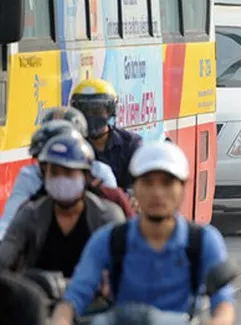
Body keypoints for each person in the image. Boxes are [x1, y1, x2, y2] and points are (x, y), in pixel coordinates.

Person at [51, 141, 236, 325]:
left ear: (183, 187)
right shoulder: (109, 240)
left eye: (167, 183)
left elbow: (223, 302)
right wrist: (61, 319)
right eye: (148, 183)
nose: (157, 193)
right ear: (135, 188)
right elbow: (75, 296)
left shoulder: (203, 240)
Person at [0, 133, 125, 277]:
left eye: (68, 172)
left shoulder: (107, 216)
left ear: (85, 176)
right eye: (54, 173)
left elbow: (122, 269)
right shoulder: (30, 214)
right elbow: (5, 257)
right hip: (37, 295)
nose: (61, 179)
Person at [0, 107, 119, 240]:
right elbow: (9, 222)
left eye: (68, 169)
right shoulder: (31, 175)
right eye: (52, 168)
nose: (59, 176)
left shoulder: (101, 174)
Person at [70, 79, 142, 190]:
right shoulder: (72, 145)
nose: (90, 116)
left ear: (110, 111)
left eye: (96, 111)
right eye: (85, 111)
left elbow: (138, 186)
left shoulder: (130, 144)